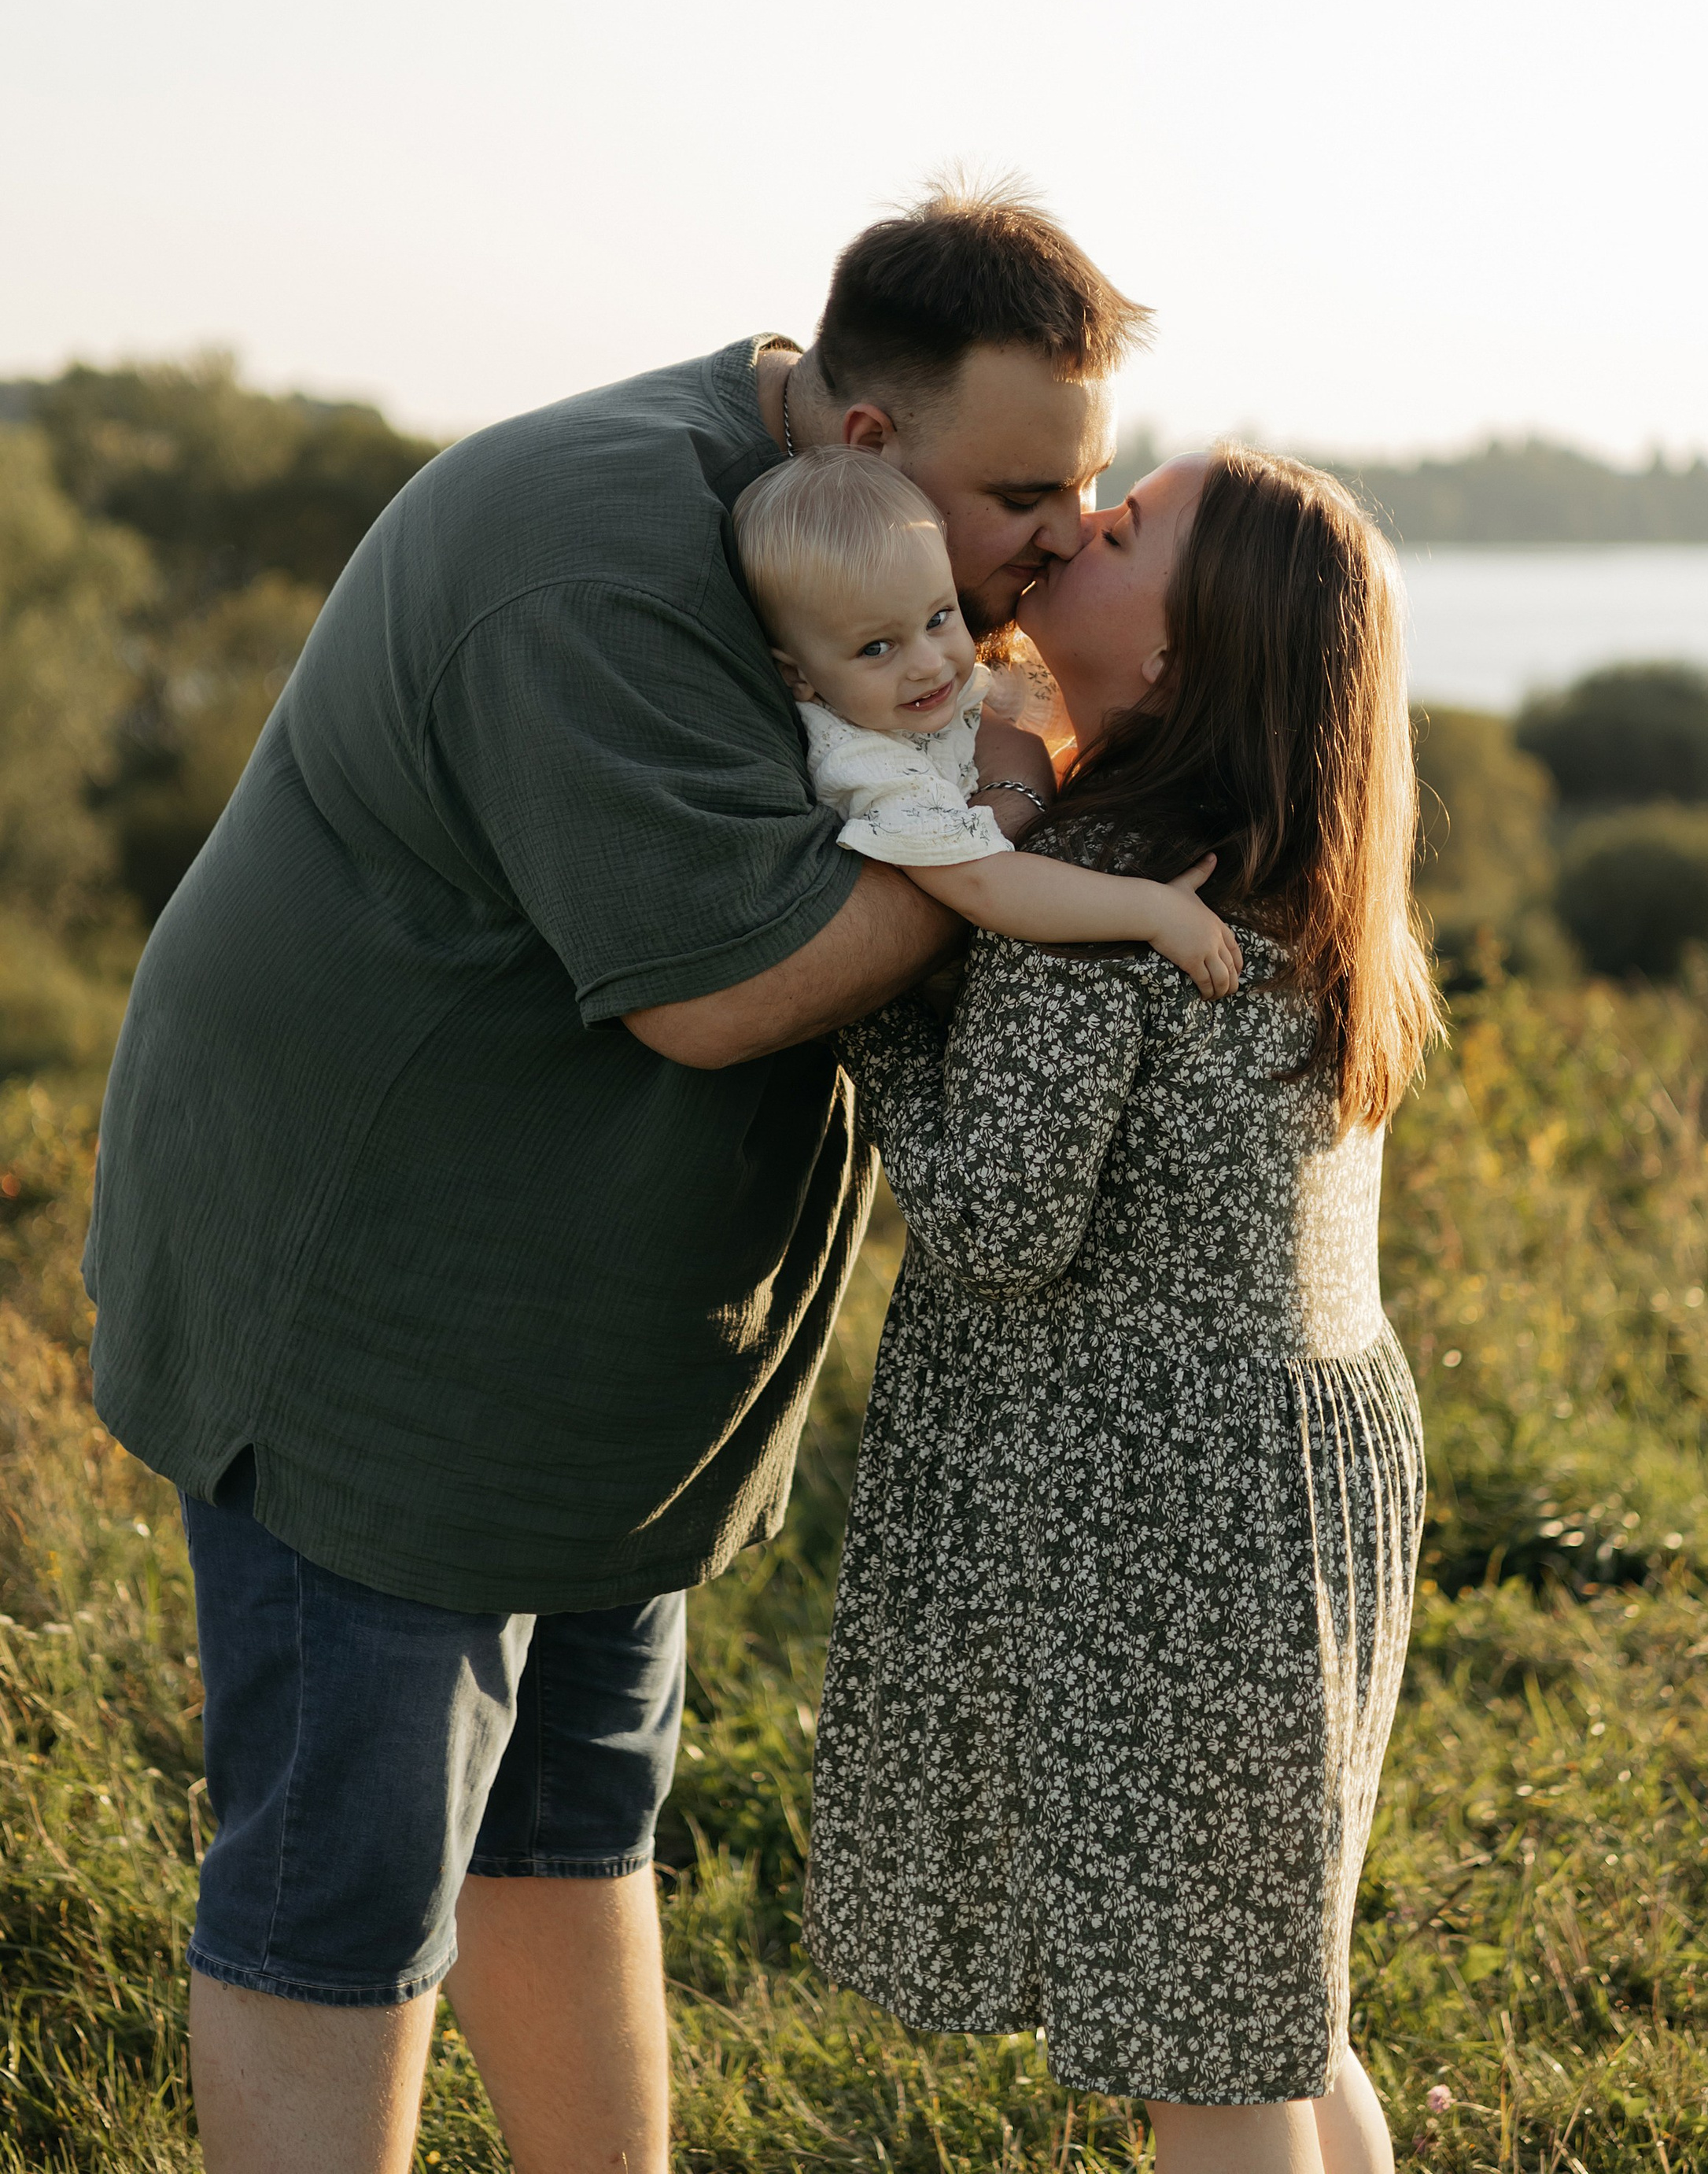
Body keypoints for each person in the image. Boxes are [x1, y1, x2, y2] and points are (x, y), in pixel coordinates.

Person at [82, 184, 1146, 2174]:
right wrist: (1003, 806)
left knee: (571, 1821)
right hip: (374, 1316)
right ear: (860, 445)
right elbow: (736, 984)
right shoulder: (591, 551)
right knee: (345, 1890)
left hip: (582, 1351)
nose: (1064, 538)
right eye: (1025, 489)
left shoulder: (854, 563)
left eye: (1086, 490)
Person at [805, 446, 1445, 2174]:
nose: (1077, 524)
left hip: (1152, 1525)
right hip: (1291, 1484)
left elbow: (999, 1221)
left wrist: (863, 1008)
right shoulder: (1288, 864)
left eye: (1125, 525)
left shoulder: (1103, 880)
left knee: (1212, 2065)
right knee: (1265, 2013)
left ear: (1179, 655)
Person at [734, 444, 1242, 995]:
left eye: (938, 617)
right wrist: (1153, 910)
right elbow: (984, 882)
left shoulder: (910, 691)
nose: (929, 664)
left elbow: (1023, 697)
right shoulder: (866, 763)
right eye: (877, 646)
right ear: (798, 677)